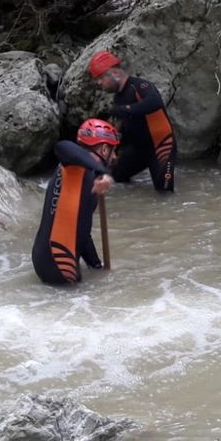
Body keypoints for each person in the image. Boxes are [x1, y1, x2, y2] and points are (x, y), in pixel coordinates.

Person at [32, 119, 118, 285]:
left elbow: (82, 230)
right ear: (104, 148)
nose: (114, 156)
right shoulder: (73, 165)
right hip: (59, 266)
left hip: (45, 258)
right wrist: (103, 171)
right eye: (113, 150)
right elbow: (62, 146)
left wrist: (96, 266)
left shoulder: (82, 173)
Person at [89, 50, 176, 193]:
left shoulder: (141, 86)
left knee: (164, 193)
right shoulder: (119, 98)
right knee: (117, 177)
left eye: (100, 78)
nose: (99, 83)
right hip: (138, 150)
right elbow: (123, 127)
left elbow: (155, 102)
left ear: (115, 72)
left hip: (161, 146)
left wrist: (126, 109)